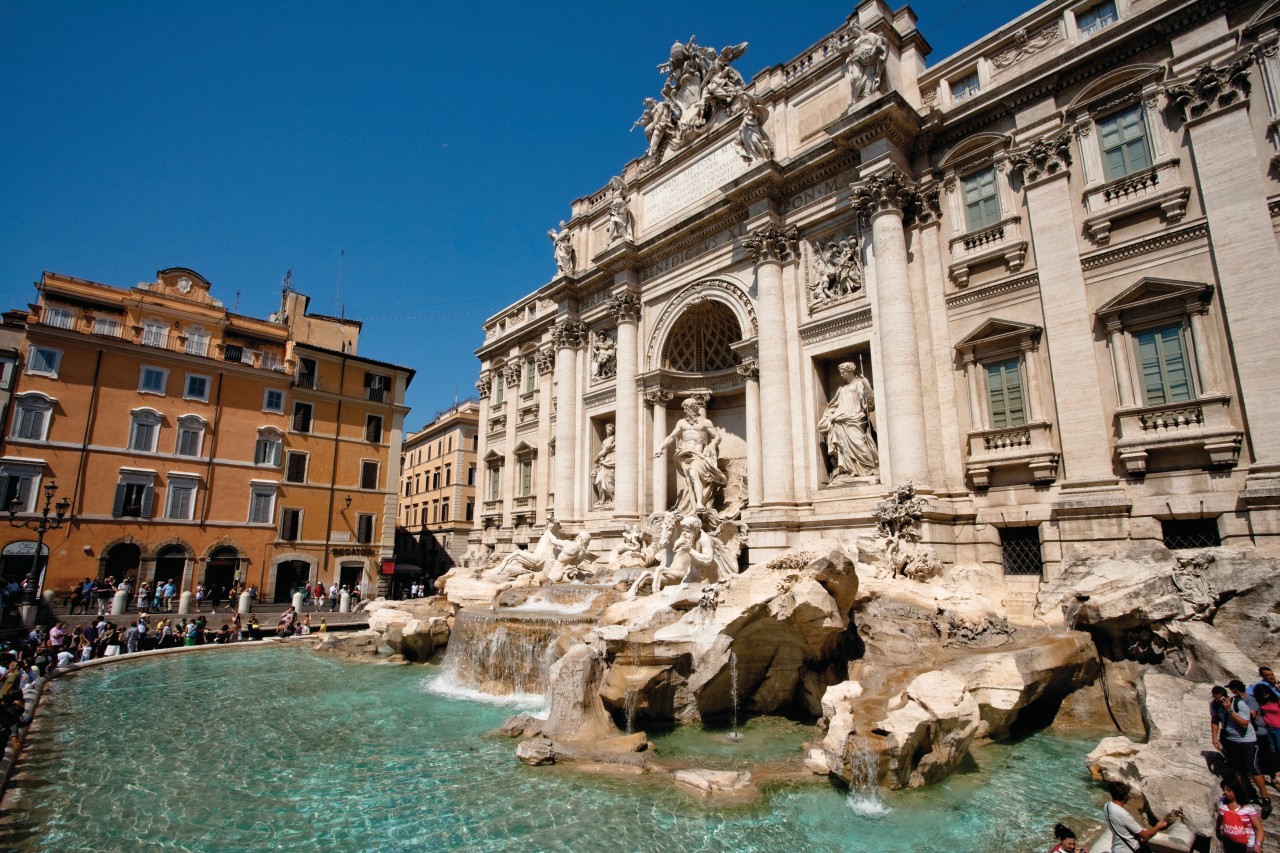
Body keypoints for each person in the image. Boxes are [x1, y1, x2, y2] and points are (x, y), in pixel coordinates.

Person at [654, 397, 726, 512]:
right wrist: (660, 448)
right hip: (683, 454)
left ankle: (696, 504)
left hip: (698, 453)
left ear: (695, 407)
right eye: (685, 408)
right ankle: (698, 504)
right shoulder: (681, 423)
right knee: (691, 476)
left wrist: (711, 445)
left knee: (693, 476)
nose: (686, 410)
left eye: (688, 408)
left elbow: (717, 437)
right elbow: (671, 437)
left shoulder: (705, 422)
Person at [1212, 682, 1272, 815]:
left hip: (1247, 742)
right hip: (1231, 741)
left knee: (1253, 770)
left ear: (1226, 697)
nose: (1218, 701)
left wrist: (1229, 710)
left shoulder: (1240, 705)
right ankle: (1246, 793)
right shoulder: (1215, 705)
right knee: (1238, 770)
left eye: (1220, 699)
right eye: (1215, 698)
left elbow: (1244, 724)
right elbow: (1215, 720)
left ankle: (1265, 799)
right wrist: (1214, 738)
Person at [817, 361, 879, 479]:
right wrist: (827, 418)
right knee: (843, 447)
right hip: (840, 420)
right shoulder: (842, 388)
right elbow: (833, 406)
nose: (841, 375)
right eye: (840, 373)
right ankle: (849, 470)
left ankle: (870, 467)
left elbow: (869, 405)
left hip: (855, 418)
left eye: (843, 372)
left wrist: (868, 387)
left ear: (850, 371)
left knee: (860, 443)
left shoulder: (860, 384)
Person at [1104, 780, 1167, 853]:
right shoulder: (1124, 814)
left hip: (1117, 848)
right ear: (1125, 796)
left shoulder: (1107, 806)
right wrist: (1158, 826)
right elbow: (1145, 836)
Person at [1217, 780, 1264, 853]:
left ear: (1236, 791)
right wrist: (1217, 830)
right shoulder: (1222, 802)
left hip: (1246, 845)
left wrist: (1258, 844)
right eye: (1224, 789)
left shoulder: (1248, 808)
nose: (1225, 792)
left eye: (1228, 790)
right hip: (1229, 842)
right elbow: (1220, 818)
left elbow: (1259, 829)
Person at [1255, 683, 1280, 785]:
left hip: (1278, 728)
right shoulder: (1260, 702)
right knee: (1272, 750)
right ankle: (1276, 769)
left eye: (1266, 693)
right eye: (1263, 693)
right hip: (1267, 728)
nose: (1265, 695)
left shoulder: (1277, 700)